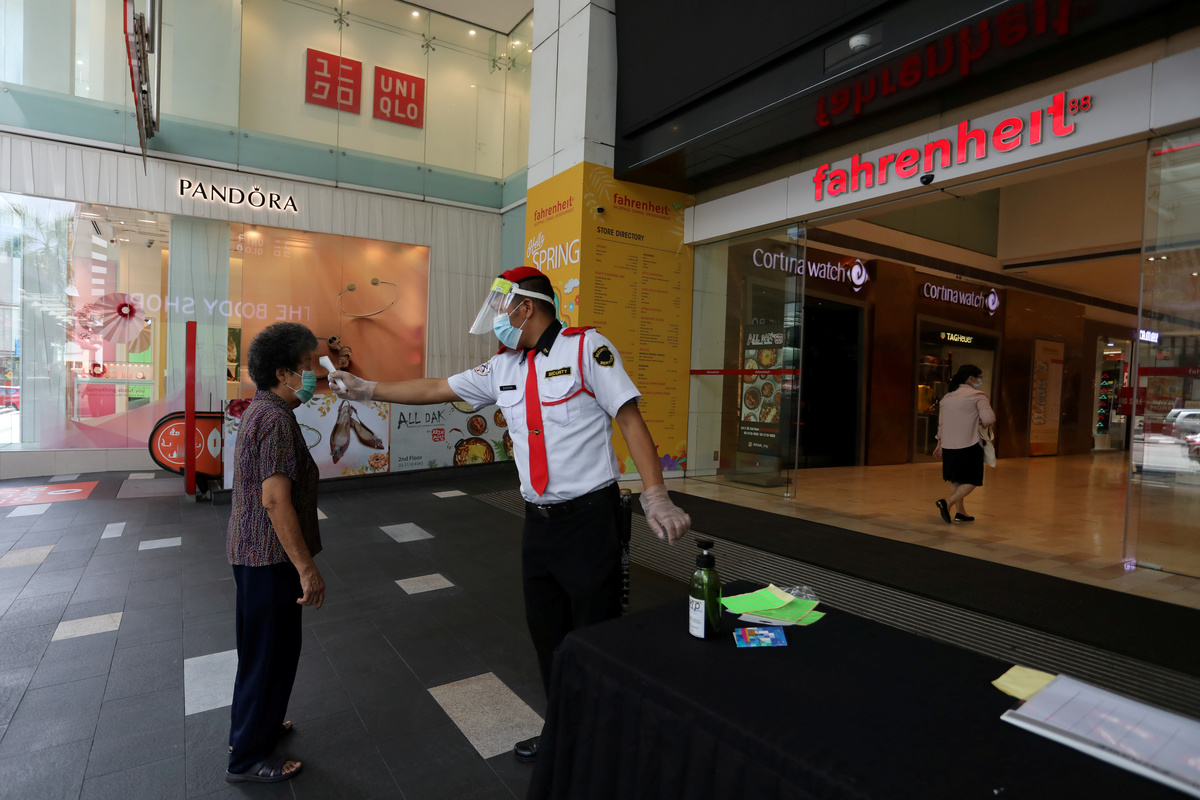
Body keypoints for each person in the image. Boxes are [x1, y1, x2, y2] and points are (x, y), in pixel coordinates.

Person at [329, 266, 691, 763]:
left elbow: (629, 419)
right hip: (538, 522)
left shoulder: (586, 349)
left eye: (502, 309)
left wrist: (656, 495)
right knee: (547, 634)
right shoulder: (503, 367)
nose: (498, 319)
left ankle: (605, 743)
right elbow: (436, 388)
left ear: (526, 307)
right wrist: (367, 388)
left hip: (591, 519)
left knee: (597, 633)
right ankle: (563, 732)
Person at [225, 322, 326, 784]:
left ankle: (258, 725)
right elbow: (274, 500)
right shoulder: (276, 420)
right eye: (306, 366)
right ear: (283, 372)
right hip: (268, 557)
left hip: (252, 552)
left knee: (265, 651)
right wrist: (306, 568)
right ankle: (247, 758)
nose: (313, 375)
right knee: (268, 655)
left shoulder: (264, 409)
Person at [933, 364, 996, 524]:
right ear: (971, 378)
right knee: (973, 479)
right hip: (969, 444)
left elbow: (941, 424)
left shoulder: (947, 398)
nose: (980, 380)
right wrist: (980, 424)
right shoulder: (978, 395)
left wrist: (939, 442)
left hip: (948, 445)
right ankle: (947, 502)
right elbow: (989, 419)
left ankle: (960, 513)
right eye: (979, 377)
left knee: (955, 479)